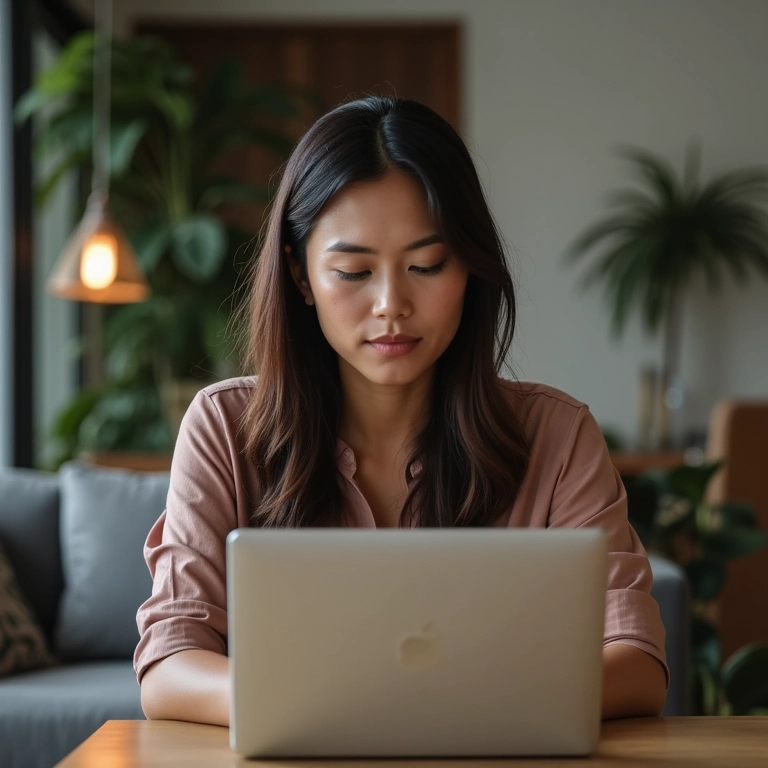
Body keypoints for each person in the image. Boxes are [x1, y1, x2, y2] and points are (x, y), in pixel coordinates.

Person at [134, 96, 668, 727]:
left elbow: (635, 661)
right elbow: (170, 665)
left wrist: (441, 710)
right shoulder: (225, 427)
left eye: (426, 265)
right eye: (354, 272)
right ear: (301, 277)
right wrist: (335, 709)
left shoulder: (556, 436)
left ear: (470, 267)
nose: (391, 304)